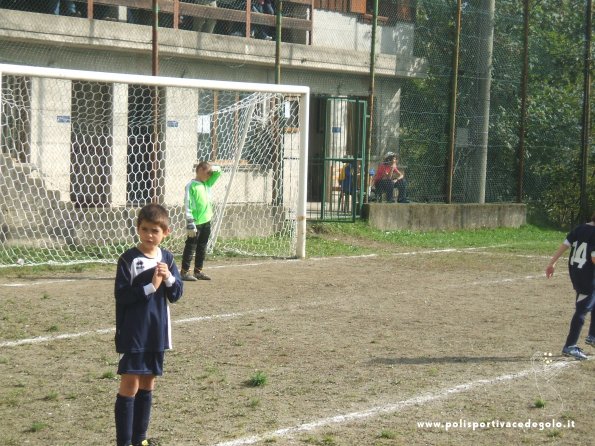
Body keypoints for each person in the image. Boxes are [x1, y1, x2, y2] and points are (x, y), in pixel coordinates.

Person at [114, 203, 183, 446]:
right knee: (130, 383)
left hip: (157, 333)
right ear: (138, 229)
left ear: (166, 232)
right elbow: (121, 295)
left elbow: (176, 295)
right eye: (145, 229)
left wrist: (170, 278)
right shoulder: (129, 259)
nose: (149, 235)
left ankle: (139, 440)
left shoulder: (167, 258)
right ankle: (124, 442)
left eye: (155, 230)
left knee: (148, 382)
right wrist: (151, 287)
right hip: (134, 333)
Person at [545, 210, 595, 360]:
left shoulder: (581, 228)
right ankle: (570, 346)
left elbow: (565, 244)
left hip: (578, 272)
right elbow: (594, 258)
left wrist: (552, 262)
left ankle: (592, 336)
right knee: (582, 309)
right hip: (587, 276)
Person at [181, 161, 222, 281]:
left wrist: (210, 167)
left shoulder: (207, 183)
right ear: (199, 171)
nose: (210, 175)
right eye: (207, 172)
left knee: (202, 246)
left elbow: (219, 171)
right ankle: (184, 272)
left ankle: (198, 271)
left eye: (210, 173)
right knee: (190, 246)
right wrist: (189, 221)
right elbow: (187, 203)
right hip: (195, 222)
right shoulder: (191, 185)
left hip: (206, 221)